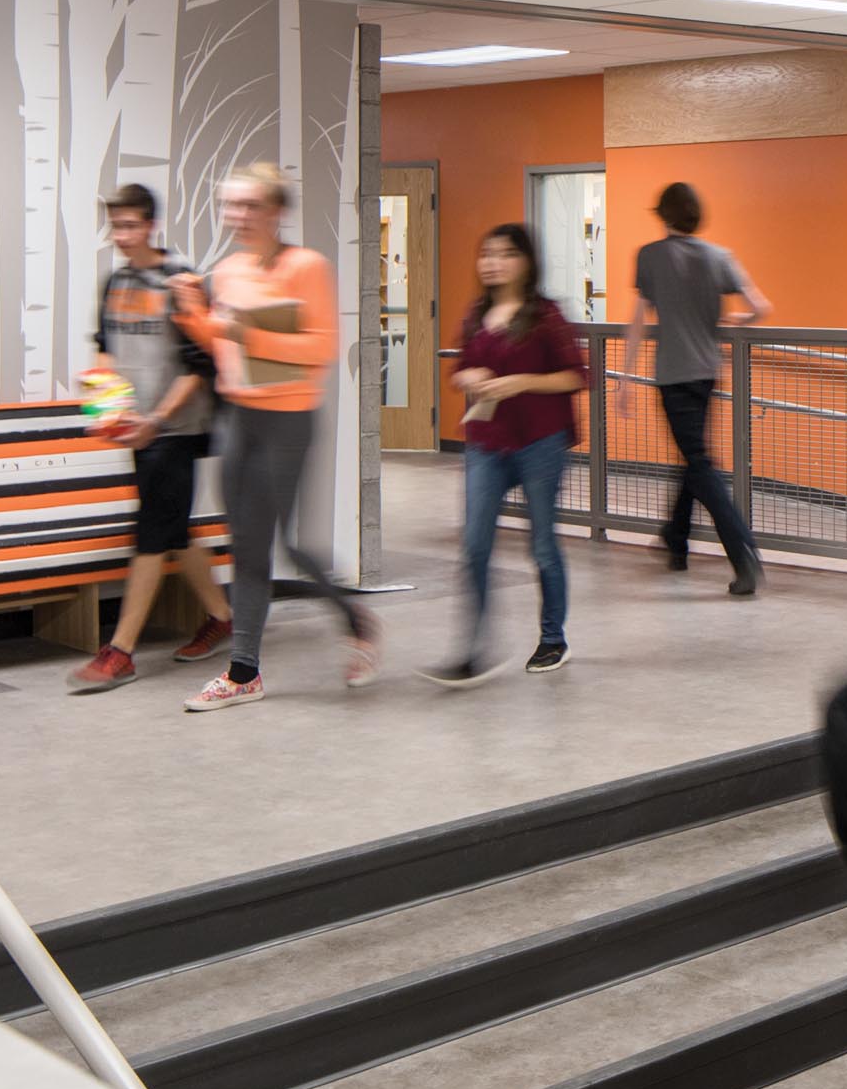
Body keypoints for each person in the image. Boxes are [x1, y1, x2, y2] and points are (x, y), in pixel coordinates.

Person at [172, 161, 377, 710]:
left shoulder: (306, 266)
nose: (237, 215)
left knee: (286, 544)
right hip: (238, 418)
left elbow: (320, 350)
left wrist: (243, 329)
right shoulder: (227, 271)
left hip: (289, 420)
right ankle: (244, 673)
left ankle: (355, 616)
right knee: (247, 548)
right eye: (230, 205)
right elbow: (222, 348)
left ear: (277, 212)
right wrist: (193, 313)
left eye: (250, 205)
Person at [70, 184, 233, 692]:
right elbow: (105, 351)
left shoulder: (181, 282)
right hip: (137, 431)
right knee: (173, 528)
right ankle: (223, 617)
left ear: (150, 225)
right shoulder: (114, 282)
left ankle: (120, 652)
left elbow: (199, 370)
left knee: (149, 531)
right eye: (115, 226)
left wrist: (154, 421)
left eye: (130, 225)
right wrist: (106, 406)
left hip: (177, 430)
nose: (121, 236)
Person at [428, 222, 587, 686]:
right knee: (474, 544)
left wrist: (522, 382)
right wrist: (469, 377)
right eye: (487, 253)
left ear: (526, 261)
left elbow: (575, 376)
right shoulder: (478, 312)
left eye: (505, 253)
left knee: (542, 545)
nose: (493, 262)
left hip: (540, 439)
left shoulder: (546, 315)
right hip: (486, 441)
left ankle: (553, 638)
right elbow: (458, 371)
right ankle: (473, 648)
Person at [630, 181, 768, 596]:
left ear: (664, 215)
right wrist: (738, 321)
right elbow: (761, 306)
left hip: (673, 374)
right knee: (692, 458)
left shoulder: (650, 256)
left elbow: (639, 319)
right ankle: (676, 539)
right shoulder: (719, 256)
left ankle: (744, 554)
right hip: (708, 372)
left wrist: (623, 375)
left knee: (699, 463)